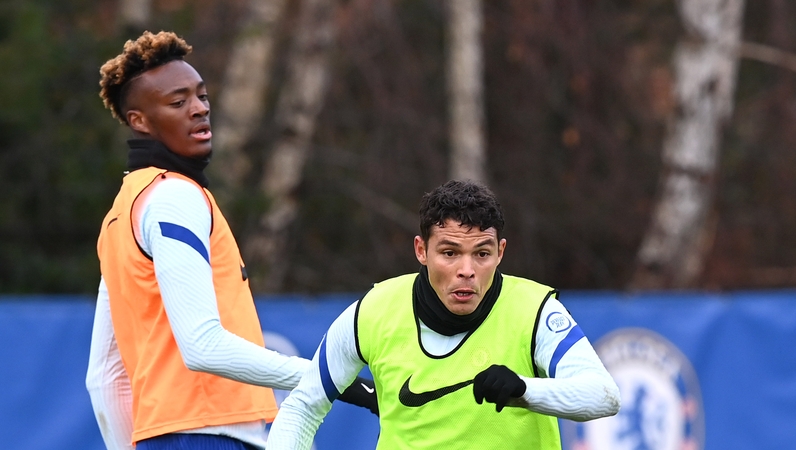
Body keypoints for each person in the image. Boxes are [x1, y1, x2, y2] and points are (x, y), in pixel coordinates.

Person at [85, 30, 376, 450]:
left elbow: (104, 376)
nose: (200, 109)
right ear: (139, 121)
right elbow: (202, 346)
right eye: (178, 102)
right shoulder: (174, 196)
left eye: (201, 96)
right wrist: (330, 379)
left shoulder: (120, 214)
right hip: (213, 438)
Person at [264, 179, 622, 449]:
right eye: (449, 253)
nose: (466, 270)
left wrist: (524, 390)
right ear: (421, 250)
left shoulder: (535, 310)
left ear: (500, 252)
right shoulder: (372, 312)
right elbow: (302, 408)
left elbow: (603, 395)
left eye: (481, 254)